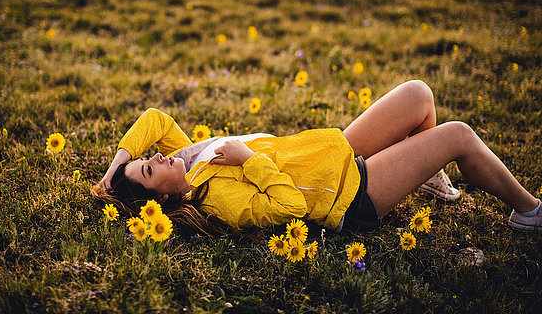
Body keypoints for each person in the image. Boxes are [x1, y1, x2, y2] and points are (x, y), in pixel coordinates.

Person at [91, 80, 542, 235]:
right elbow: (291, 208)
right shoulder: (215, 199)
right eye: (149, 168)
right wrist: (250, 159)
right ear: (163, 202)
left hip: (335, 153)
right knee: (458, 135)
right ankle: (530, 213)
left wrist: (119, 163)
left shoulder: (187, 162)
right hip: (350, 196)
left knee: (418, 96)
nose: (159, 158)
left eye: (150, 157)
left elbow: (155, 118)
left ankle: (426, 176)